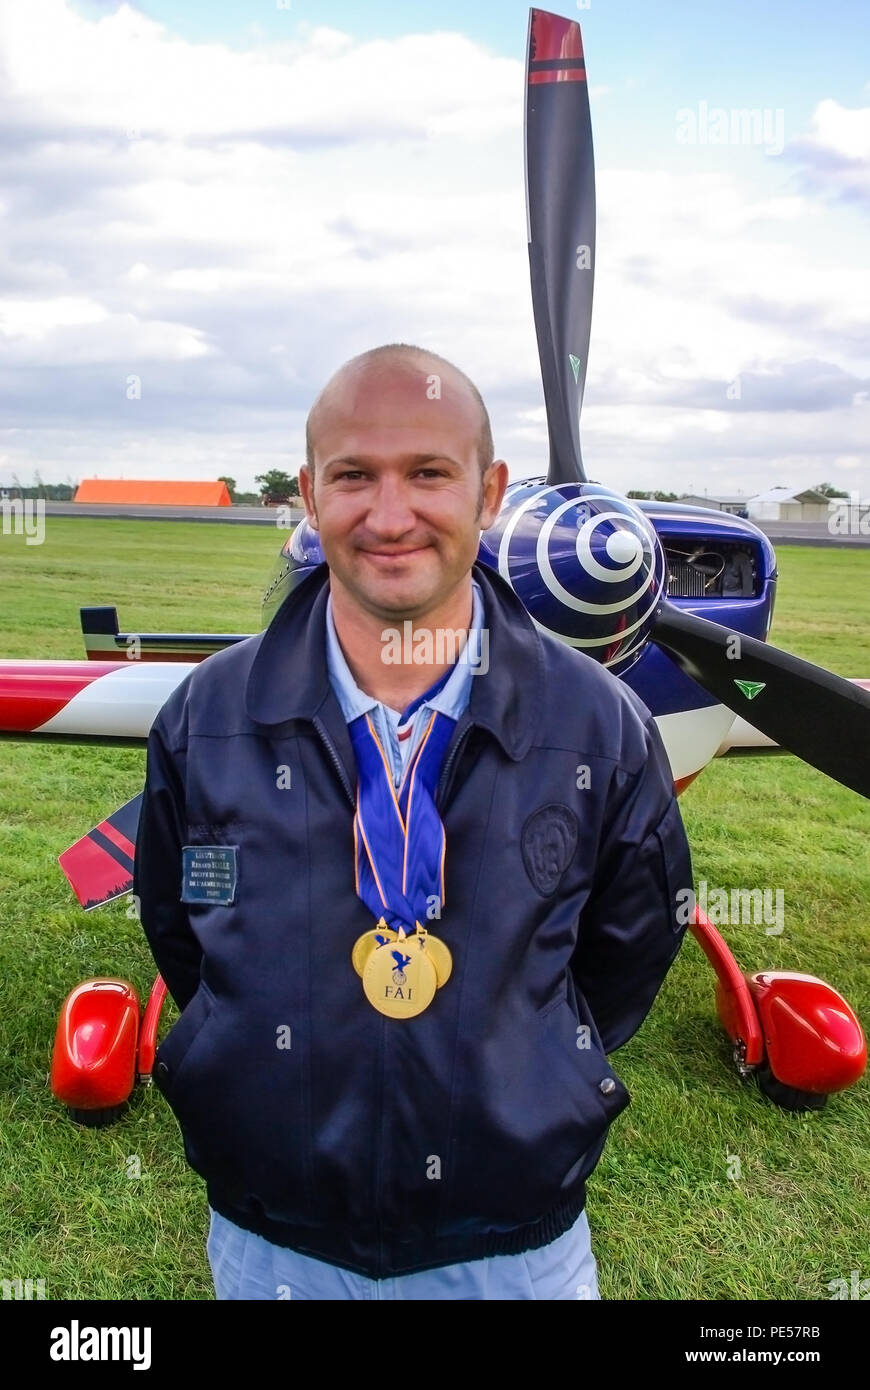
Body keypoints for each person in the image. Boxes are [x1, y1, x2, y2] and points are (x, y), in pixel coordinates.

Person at [134, 342, 693, 1301]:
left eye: (428, 473)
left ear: (489, 493)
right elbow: (180, 936)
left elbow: (627, 950)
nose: (390, 516)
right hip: (272, 1242)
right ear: (311, 494)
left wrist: (533, 1064)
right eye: (355, 476)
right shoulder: (203, 716)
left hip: (514, 1248)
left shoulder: (602, 724)